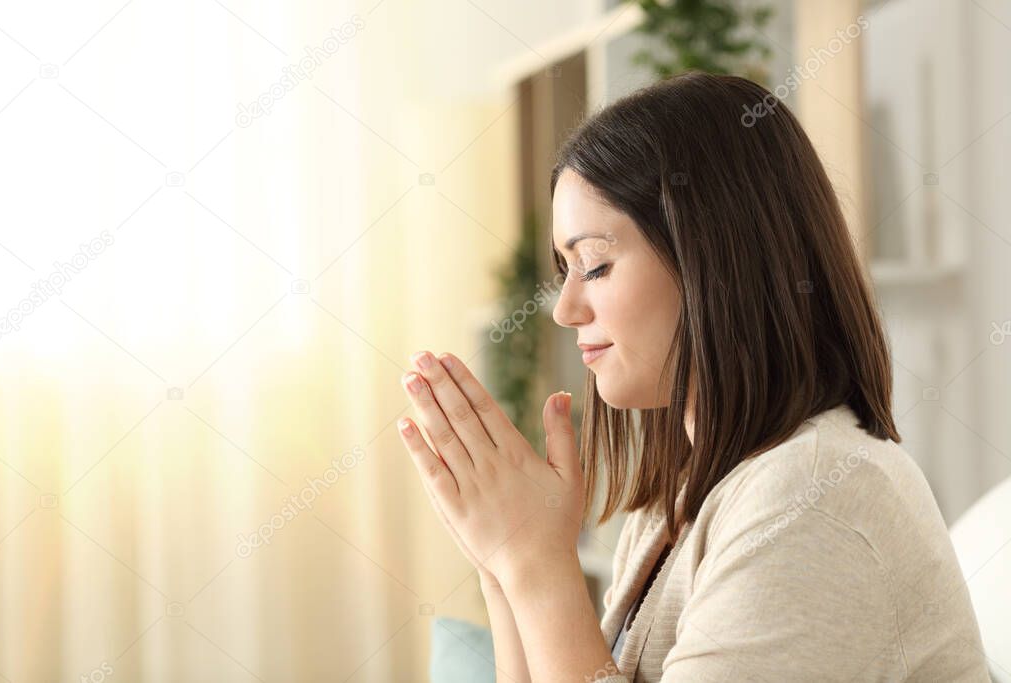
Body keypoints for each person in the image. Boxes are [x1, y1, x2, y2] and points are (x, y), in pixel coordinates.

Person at [399, 71, 989, 682]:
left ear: (712, 258)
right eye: (565, 269)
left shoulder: (811, 502)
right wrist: (505, 567)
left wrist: (537, 566)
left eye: (594, 264)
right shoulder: (676, 504)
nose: (565, 308)